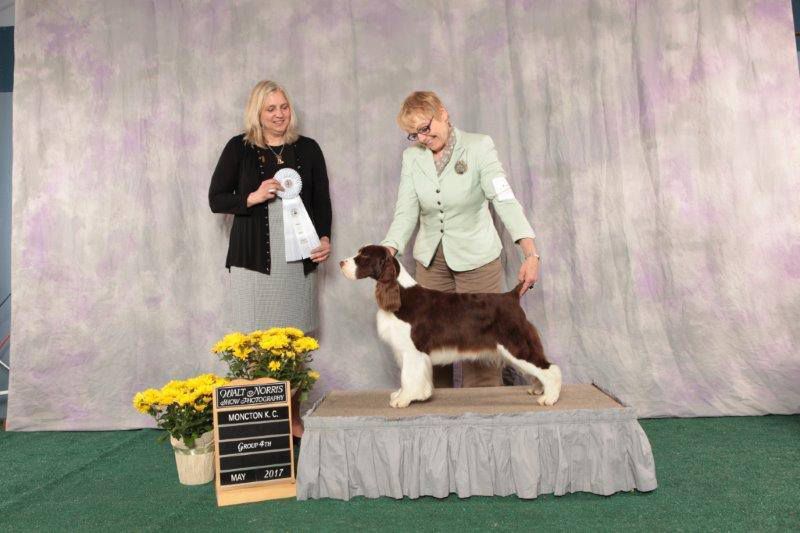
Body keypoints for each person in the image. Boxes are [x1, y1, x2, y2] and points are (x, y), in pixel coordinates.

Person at [381, 91, 540, 388]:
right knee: (429, 348)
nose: (422, 139)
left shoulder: (479, 147)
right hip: (431, 263)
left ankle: (483, 422)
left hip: (478, 260)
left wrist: (530, 253)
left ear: (443, 113)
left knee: (480, 349)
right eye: (414, 134)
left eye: (425, 129)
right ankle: (435, 422)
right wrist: (386, 251)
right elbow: (405, 213)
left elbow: (504, 200)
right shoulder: (412, 158)